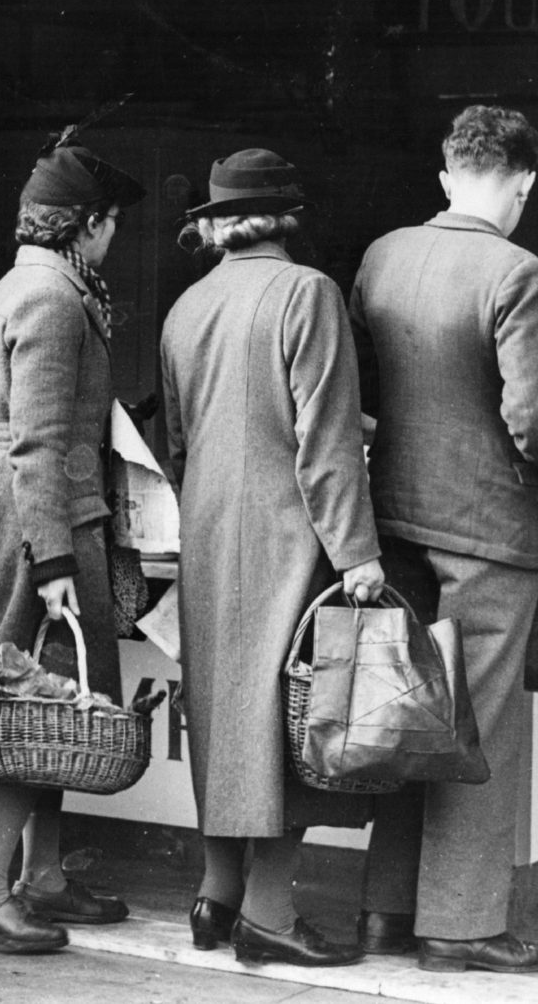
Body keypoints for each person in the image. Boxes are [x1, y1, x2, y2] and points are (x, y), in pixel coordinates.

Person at [161, 149, 384, 968]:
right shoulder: (308, 293)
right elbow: (326, 444)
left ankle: (214, 898)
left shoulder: (186, 307)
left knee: (223, 716)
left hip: (209, 534)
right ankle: (269, 915)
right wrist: (357, 555)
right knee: (290, 727)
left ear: (216, 224)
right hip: (292, 537)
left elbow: (178, 443)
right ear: (287, 217)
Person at [0, 138, 142, 956]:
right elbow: (40, 442)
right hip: (40, 523)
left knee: (49, 704)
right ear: (87, 226)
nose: (114, 239)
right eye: (113, 225)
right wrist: (54, 561)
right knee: (42, 707)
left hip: (15, 512)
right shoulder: (57, 300)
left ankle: (44, 877)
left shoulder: (17, 285)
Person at [352, 105, 538, 975]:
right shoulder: (517, 271)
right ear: (524, 183)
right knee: (478, 729)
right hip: (489, 530)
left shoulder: (383, 256)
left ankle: (386, 910)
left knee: (408, 715)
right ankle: (461, 926)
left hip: (391, 518)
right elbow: (531, 419)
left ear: (444, 175)